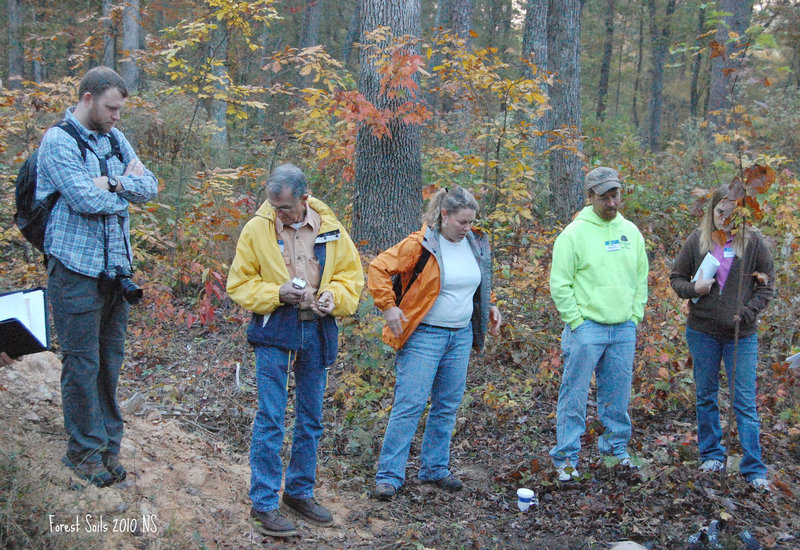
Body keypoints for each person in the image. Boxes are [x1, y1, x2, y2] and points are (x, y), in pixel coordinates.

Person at [227, 163, 364, 537]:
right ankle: (265, 504)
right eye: (273, 205)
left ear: (304, 199)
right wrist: (276, 294)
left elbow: (351, 277)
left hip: (318, 329)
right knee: (271, 418)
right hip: (275, 329)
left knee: (311, 418)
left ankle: (300, 492)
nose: (278, 213)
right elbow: (239, 284)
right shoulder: (257, 228)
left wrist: (332, 297)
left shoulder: (331, 227)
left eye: (285, 207)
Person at [37, 66, 158, 487]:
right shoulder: (58, 141)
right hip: (74, 270)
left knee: (109, 362)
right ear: (88, 99)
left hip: (115, 273)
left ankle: (108, 446)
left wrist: (110, 181)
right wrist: (123, 187)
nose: (117, 116)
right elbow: (82, 198)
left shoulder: (113, 138)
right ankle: (83, 452)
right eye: (111, 108)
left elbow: (151, 187)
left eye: (120, 109)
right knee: (81, 362)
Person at [368, 186, 502, 501]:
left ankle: (434, 468)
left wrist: (490, 305)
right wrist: (389, 308)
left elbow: (477, 282)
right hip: (424, 335)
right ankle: (389, 476)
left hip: (460, 336)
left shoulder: (475, 243)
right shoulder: (421, 244)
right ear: (444, 215)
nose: (468, 227)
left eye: (471, 221)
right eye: (462, 222)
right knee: (409, 405)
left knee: (447, 405)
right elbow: (378, 268)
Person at [669, 186, 774, 491]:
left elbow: (767, 285)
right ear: (711, 212)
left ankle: (754, 469)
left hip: (741, 336)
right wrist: (695, 289)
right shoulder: (698, 240)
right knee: (706, 395)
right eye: (720, 212)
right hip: (702, 331)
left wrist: (748, 312)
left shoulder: (752, 242)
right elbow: (677, 278)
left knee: (744, 402)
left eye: (732, 213)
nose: (725, 218)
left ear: (741, 213)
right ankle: (712, 455)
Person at [549, 166, 648, 481]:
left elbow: (641, 277)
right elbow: (560, 283)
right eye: (605, 196)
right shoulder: (573, 234)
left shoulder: (630, 232)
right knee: (574, 395)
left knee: (617, 396)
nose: (612, 202)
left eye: (615, 194)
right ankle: (566, 459)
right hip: (587, 328)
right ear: (590, 196)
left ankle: (615, 451)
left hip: (623, 329)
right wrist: (576, 322)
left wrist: (635, 316)